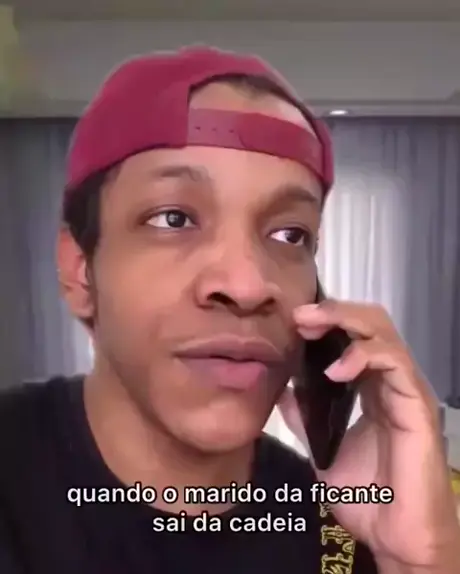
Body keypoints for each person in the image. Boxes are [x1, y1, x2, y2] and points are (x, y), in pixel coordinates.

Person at [0, 45, 459, 574]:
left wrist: (420, 559)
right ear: (80, 268)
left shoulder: (343, 532)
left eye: (290, 234)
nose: (247, 286)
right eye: (173, 219)